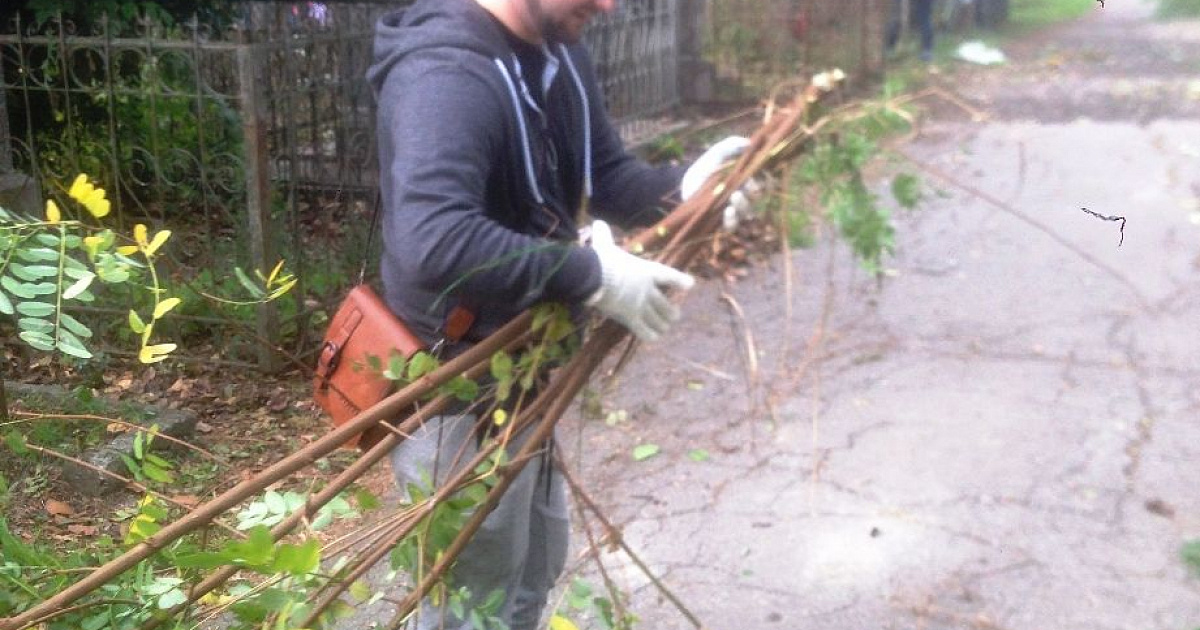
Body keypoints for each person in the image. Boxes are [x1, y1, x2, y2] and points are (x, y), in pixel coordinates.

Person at [366, 1, 747, 629]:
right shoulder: (445, 72)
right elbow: (432, 239)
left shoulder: (556, 49)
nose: (609, 6)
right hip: (456, 392)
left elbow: (609, 177)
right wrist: (591, 275)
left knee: (531, 573)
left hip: (524, 380)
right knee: (470, 607)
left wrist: (687, 191)